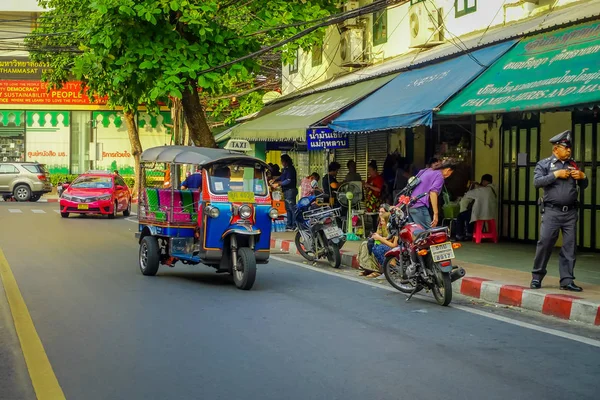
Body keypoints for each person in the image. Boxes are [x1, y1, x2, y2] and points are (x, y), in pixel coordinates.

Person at [530, 130, 588, 292]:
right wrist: (555, 174)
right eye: (565, 147)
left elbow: (584, 186)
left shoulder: (573, 165)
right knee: (545, 243)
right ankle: (537, 277)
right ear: (556, 149)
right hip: (551, 212)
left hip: (570, 213)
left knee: (570, 247)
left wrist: (583, 177)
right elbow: (537, 182)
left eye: (569, 148)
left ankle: (567, 280)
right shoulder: (545, 164)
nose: (568, 150)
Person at [408, 160, 457, 229]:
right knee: (427, 232)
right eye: (451, 173)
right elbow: (433, 193)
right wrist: (436, 214)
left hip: (410, 205)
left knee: (414, 232)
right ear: (448, 170)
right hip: (419, 206)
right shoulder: (440, 176)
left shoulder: (426, 170)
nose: (449, 176)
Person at [455, 174, 497, 241]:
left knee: (461, 216)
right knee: (470, 214)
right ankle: (469, 234)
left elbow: (469, 194)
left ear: (484, 181)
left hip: (481, 213)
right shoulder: (493, 189)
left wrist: (474, 186)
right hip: (491, 214)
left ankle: (460, 235)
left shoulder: (482, 190)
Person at [360, 204, 397, 279]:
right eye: (379, 212)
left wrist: (380, 238)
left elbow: (393, 244)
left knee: (378, 248)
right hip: (382, 242)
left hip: (390, 246)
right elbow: (378, 235)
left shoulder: (393, 227)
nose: (380, 214)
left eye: (382, 212)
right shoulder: (381, 223)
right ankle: (369, 268)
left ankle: (383, 270)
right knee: (365, 244)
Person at [273, 155, 297, 231]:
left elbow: (288, 180)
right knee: (288, 208)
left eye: (282, 161)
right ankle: (289, 225)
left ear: (286, 161)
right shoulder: (285, 169)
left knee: (291, 208)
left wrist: (278, 184)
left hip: (290, 190)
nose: (282, 163)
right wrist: (274, 180)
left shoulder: (290, 169)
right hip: (286, 191)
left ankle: (294, 225)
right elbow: (282, 177)